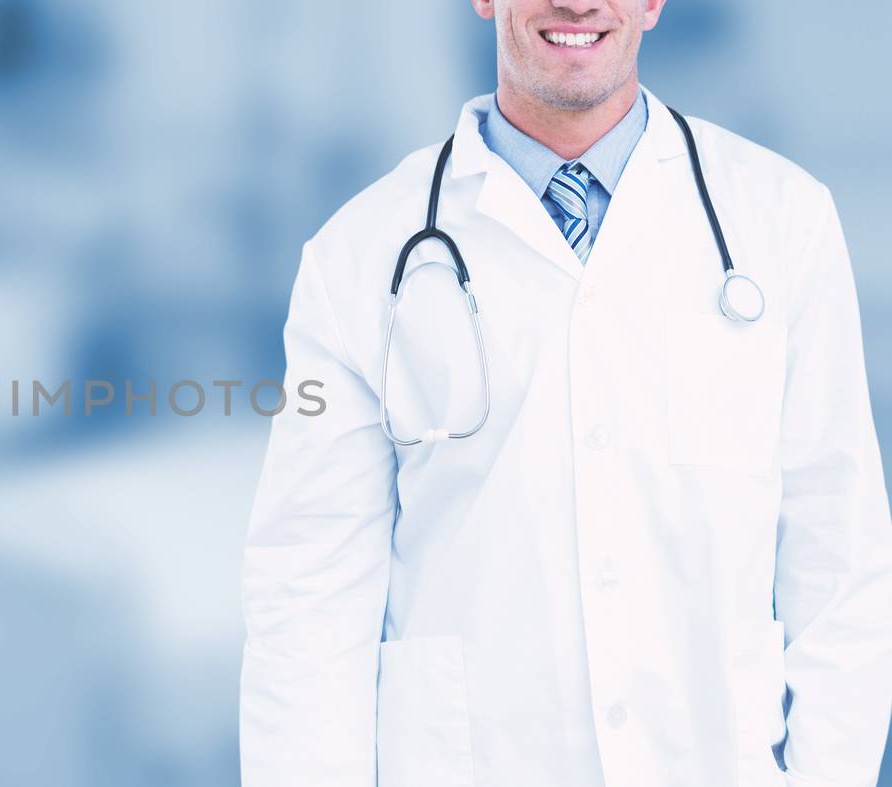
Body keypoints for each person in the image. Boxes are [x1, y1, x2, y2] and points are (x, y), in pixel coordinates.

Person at [239, 1, 892, 785]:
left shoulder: (782, 220)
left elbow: (842, 564)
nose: (577, 4)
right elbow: (308, 604)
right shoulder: (359, 255)